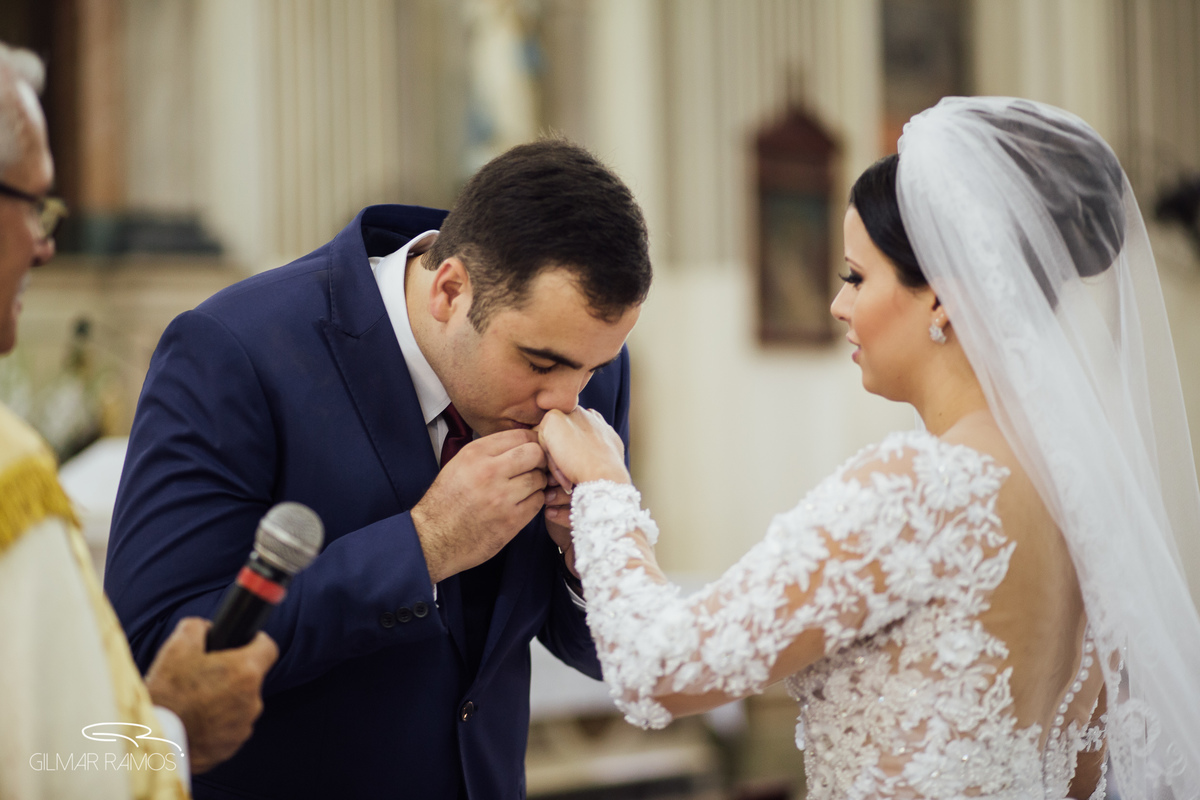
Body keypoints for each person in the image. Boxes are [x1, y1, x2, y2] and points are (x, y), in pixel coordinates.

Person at [538, 96, 1200, 800]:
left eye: (856, 276)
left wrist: (605, 489)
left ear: (943, 297)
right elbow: (1089, 773)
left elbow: (660, 669)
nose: (838, 305)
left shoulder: (924, 488)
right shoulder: (1085, 494)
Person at [103, 138, 651, 798]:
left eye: (589, 370)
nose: (566, 401)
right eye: (539, 365)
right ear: (450, 290)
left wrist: (582, 552)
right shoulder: (233, 353)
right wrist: (424, 545)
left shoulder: (585, 364)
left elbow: (601, 654)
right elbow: (151, 660)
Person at [0, 42, 278, 799]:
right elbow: (51, 767)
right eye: (34, 204)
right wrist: (170, 725)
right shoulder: (8, 474)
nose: (46, 244)